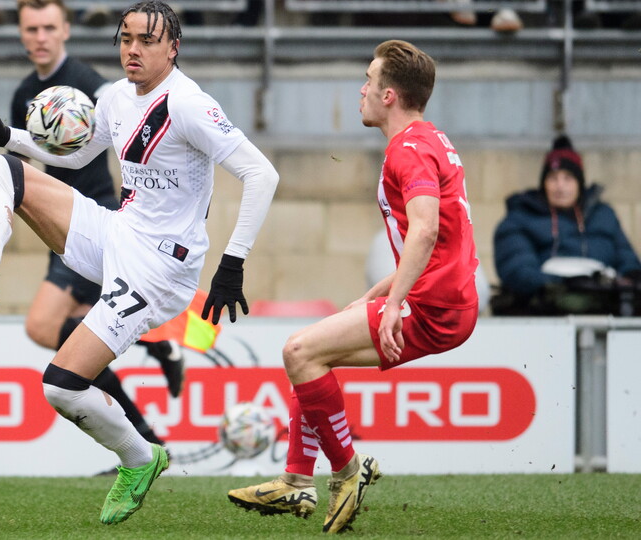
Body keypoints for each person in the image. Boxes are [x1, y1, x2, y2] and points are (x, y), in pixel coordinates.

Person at [0, 0, 278, 524]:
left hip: (160, 269)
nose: (132, 50)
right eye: (125, 39)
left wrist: (232, 262)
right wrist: (11, 137)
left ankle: (140, 456)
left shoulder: (189, 104)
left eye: (146, 40)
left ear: (173, 47)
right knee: (0, 167)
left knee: (59, 386)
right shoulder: (116, 96)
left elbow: (261, 175)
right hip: (118, 231)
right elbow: (76, 155)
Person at [226, 40, 479, 534]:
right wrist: (376, 295)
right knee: (311, 357)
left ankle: (345, 472)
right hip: (446, 298)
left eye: (369, 79)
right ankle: (296, 479)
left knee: (298, 351)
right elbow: (434, 242)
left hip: (434, 305)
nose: (361, 89)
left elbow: (425, 231)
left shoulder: (406, 152)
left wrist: (395, 304)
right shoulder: (430, 140)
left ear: (389, 95)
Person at [0, 0, 182, 448]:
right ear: (21, 33)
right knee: (63, 332)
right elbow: (20, 163)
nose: (40, 37)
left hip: (97, 216)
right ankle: (155, 361)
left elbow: (130, 113)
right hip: (63, 216)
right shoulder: (25, 91)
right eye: (31, 29)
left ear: (66, 30)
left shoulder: (90, 84)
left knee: (44, 327)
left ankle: (142, 433)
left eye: (49, 27)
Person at [492, 135, 641, 315]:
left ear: (580, 183)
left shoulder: (604, 215)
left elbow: (628, 261)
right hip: (546, 313)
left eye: (568, 178)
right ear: (543, 184)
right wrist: (562, 283)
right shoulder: (520, 218)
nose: (560, 186)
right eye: (553, 178)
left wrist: (628, 280)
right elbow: (518, 270)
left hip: (607, 308)